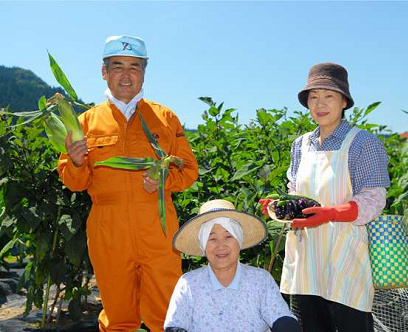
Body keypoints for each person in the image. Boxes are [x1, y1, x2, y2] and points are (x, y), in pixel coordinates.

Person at [58, 35, 199, 332]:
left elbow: (188, 170)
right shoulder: (85, 123)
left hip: (158, 227)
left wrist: (163, 181)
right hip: (108, 230)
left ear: (144, 72)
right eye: (118, 66)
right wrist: (76, 162)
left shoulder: (165, 118)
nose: (126, 74)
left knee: (168, 312)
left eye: (134, 67)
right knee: (118, 316)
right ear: (104, 72)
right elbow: (74, 182)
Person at [260, 63, 390, 332]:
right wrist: (280, 209)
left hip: (346, 258)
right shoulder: (301, 145)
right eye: (313, 97)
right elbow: (295, 191)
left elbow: (374, 200)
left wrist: (330, 214)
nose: (320, 104)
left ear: (344, 101)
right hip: (308, 258)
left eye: (328, 96)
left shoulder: (363, 143)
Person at [164, 199, 301, 332]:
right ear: (203, 245)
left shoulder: (260, 280)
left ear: (239, 241)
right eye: (212, 239)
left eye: (229, 236)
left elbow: (282, 318)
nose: (221, 245)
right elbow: (175, 326)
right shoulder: (189, 283)